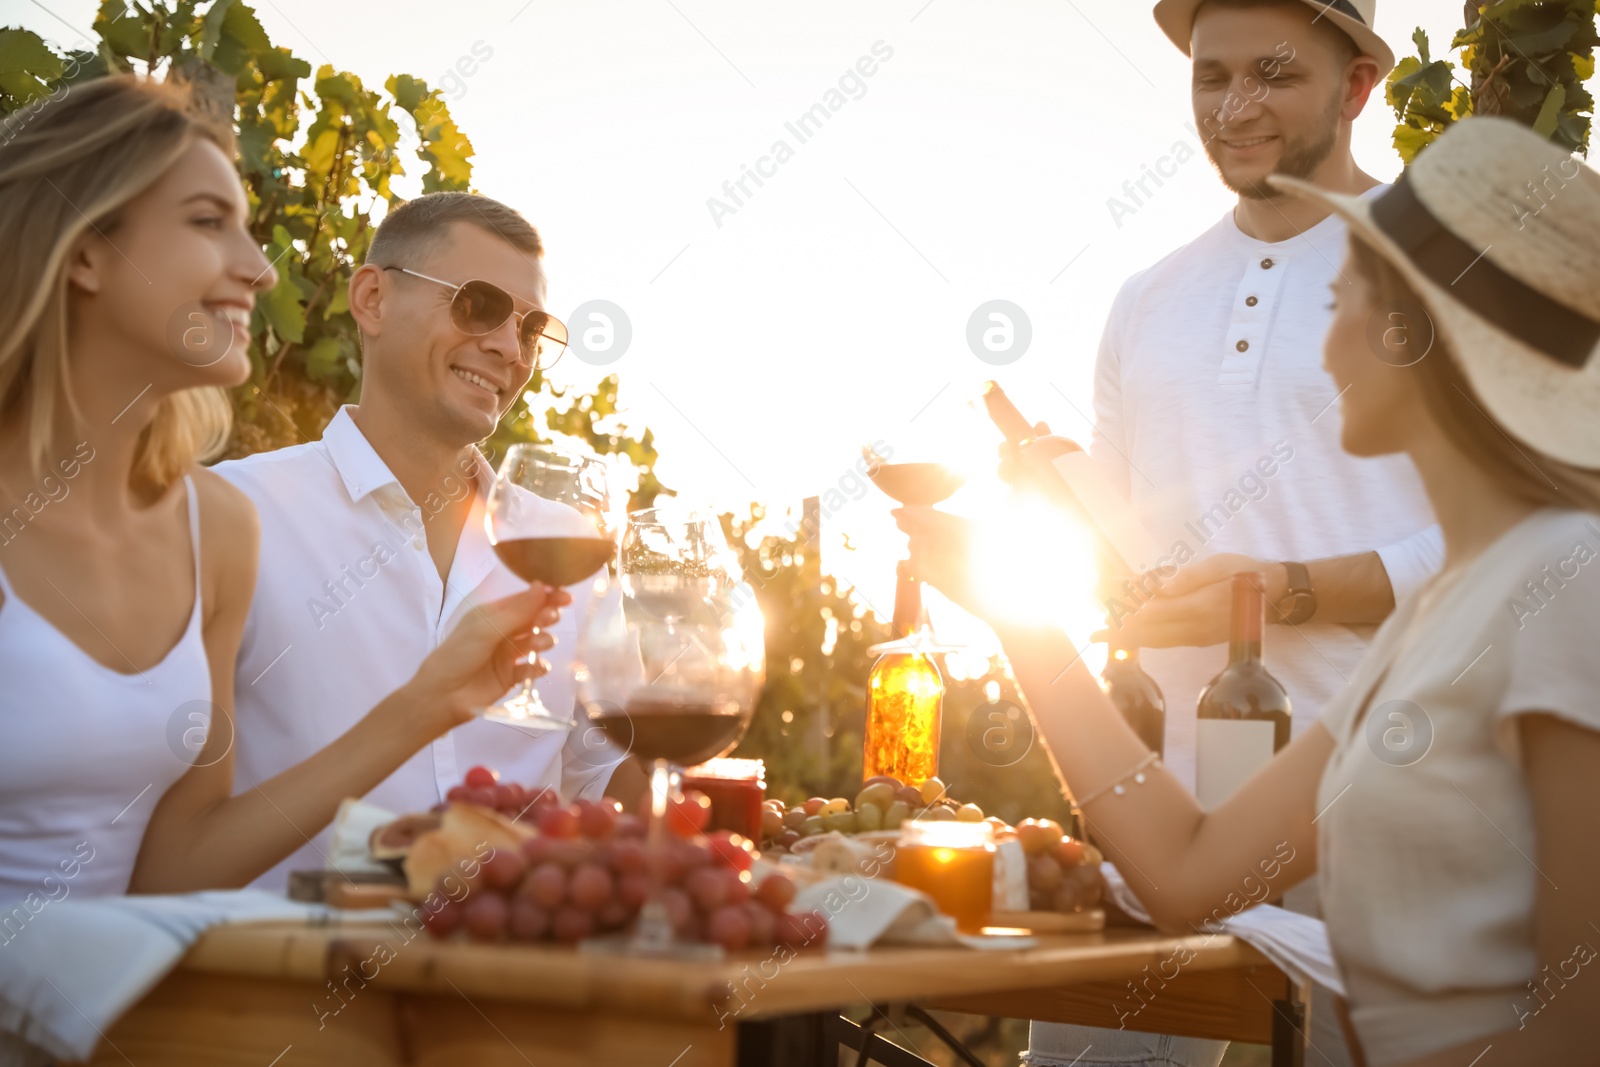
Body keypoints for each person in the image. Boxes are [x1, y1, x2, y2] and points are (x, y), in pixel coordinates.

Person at [900, 115, 1600, 1066]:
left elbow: (1579, 1026)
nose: (1323, 347)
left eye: (1342, 302)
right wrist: (1017, 617)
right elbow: (1189, 873)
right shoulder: (1437, 625)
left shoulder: (1562, 588)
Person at [0, 75, 567, 903]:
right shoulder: (255, 510)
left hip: (142, 1020)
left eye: (530, 327)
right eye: (206, 221)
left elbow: (172, 870)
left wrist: (426, 706)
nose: (263, 269)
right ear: (85, 249)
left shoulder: (212, 529)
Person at [1025, 1, 1438, 1062]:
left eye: (1273, 75)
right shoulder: (1145, 297)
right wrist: (1052, 488)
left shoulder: (1443, 268)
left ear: (1353, 90)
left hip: (1372, 792)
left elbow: (1517, 544)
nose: (1234, 107)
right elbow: (1121, 552)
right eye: (1212, 79)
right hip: (1149, 794)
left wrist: (1286, 585)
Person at [215, 192, 646, 889]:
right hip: (284, 977)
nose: (509, 347)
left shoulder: (570, 545)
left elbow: (610, 772)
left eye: (531, 328)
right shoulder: (236, 512)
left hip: (513, 981)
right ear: (373, 299)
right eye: (478, 305)